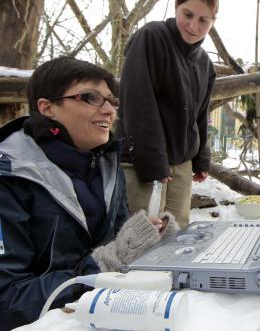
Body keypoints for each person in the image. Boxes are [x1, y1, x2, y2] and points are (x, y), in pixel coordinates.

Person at [0, 57, 178, 330]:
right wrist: (98, 269)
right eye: (90, 98)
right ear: (47, 108)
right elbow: (6, 302)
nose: (109, 110)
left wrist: (149, 239)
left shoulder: (107, 165)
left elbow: (115, 245)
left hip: (101, 311)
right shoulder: (11, 177)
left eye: (111, 101)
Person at [116, 0, 219, 228]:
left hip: (181, 165)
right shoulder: (152, 38)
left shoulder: (204, 63)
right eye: (188, 14)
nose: (193, 26)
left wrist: (201, 158)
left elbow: (200, 115)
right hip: (142, 162)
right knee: (139, 237)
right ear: (177, 7)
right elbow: (137, 103)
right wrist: (154, 163)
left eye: (203, 20)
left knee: (177, 234)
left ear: (212, 22)